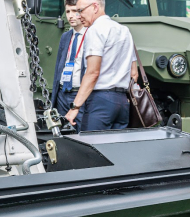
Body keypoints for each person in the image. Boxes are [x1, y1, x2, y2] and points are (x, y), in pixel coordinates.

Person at [62, 0, 138, 132]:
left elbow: (92, 73)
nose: (79, 15)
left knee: (90, 144)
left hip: (100, 101)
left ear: (95, 7)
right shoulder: (124, 30)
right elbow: (134, 74)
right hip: (122, 102)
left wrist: (75, 108)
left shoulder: (95, 30)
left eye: (80, 10)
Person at [50, 8, 87, 118]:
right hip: (62, 93)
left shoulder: (91, 35)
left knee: (80, 127)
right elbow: (58, 66)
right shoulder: (65, 36)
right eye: (67, 12)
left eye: (75, 11)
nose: (70, 16)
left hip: (79, 94)